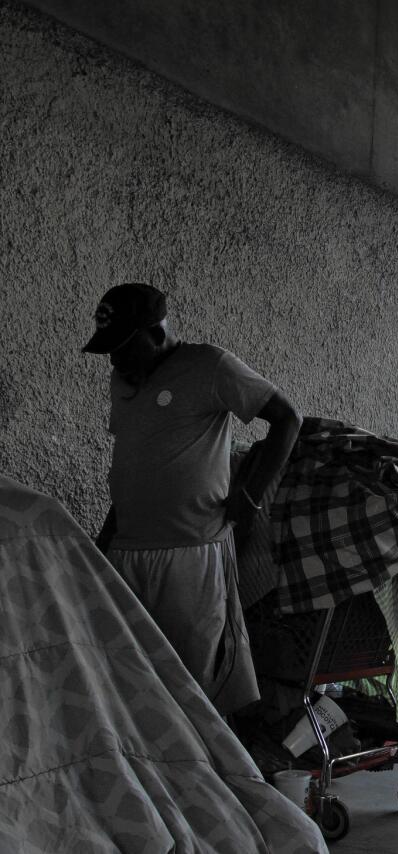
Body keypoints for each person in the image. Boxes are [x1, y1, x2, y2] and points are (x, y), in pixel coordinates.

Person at [83, 282, 301, 713]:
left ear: (157, 335)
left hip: (191, 553)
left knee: (194, 684)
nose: (114, 359)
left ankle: (206, 773)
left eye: (124, 347)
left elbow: (287, 421)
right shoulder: (123, 381)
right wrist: (102, 545)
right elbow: (133, 466)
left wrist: (250, 496)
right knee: (129, 680)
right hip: (128, 552)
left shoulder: (210, 366)